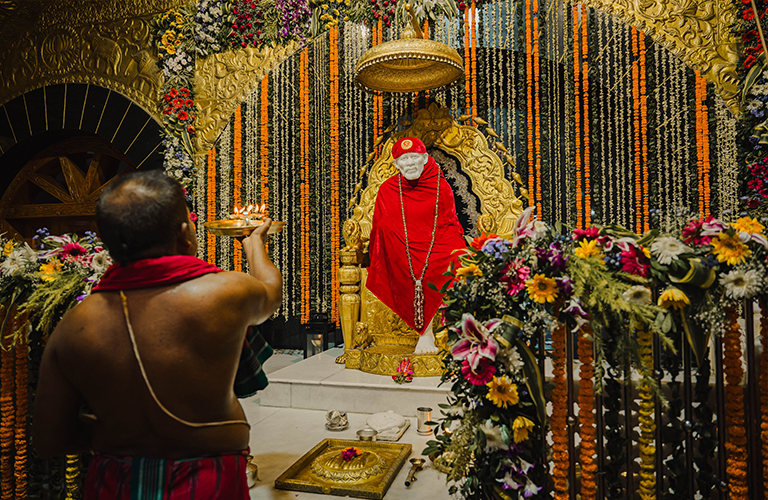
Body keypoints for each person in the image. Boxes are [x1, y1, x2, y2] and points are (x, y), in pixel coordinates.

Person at [32, 170, 282, 499]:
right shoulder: (225, 293)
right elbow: (271, 291)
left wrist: (124, 435)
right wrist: (254, 243)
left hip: (115, 482)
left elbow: (49, 438)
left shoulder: (75, 325)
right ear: (185, 234)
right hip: (208, 479)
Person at [366, 137, 466, 353]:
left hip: (436, 244)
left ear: (425, 158)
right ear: (395, 164)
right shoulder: (388, 189)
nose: (409, 163)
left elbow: (448, 224)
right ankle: (425, 332)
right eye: (404, 158)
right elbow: (381, 226)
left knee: (458, 257)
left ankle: (456, 334)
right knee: (400, 260)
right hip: (402, 247)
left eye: (414, 157)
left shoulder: (440, 185)